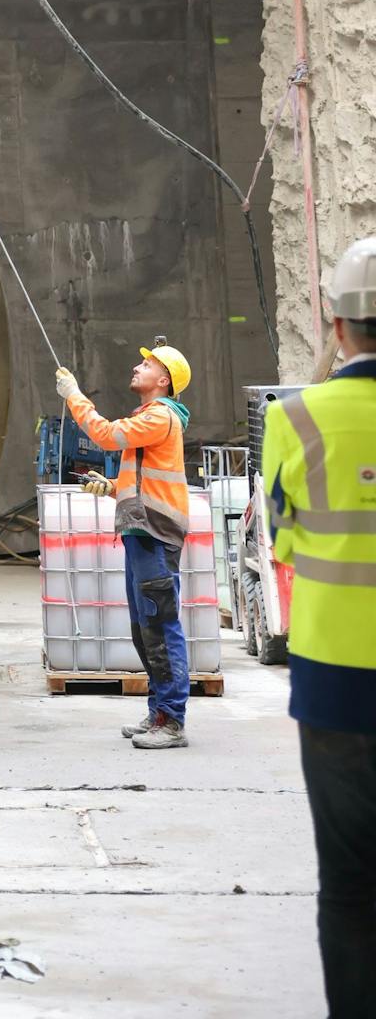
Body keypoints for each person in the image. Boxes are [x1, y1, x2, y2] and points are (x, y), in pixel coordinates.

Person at [262, 236, 376, 1019]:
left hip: (336, 687)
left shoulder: (295, 416)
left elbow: (285, 540)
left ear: (336, 325)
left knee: (349, 888)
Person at [55, 339, 193, 746]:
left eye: (146, 364)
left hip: (154, 533)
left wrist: (75, 396)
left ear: (163, 380)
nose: (137, 367)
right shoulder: (151, 418)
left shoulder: (160, 416)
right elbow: (144, 482)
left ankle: (171, 721)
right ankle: (158, 714)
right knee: (144, 628)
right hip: (141, 531)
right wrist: (112, 487)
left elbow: (106, 435)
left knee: (160, 627)